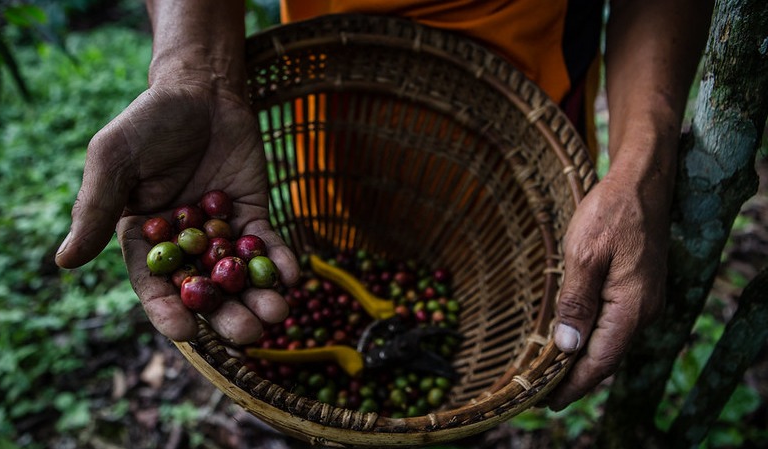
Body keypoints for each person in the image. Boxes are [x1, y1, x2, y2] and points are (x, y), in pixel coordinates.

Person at [54, 0, 714, 411]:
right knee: (310, 274)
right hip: (330, 121)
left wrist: (644, 169)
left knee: (451, 406)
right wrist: (194, 72)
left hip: (518, 127)